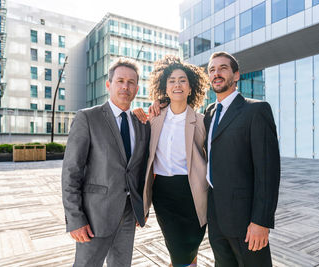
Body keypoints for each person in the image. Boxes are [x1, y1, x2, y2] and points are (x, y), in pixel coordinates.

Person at [61, 58, 150, 267]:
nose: (125, 87)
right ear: (109, 85)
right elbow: (71, 171)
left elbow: (141, 169)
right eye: (120, 81)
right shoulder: (87, 118)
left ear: (137, 88)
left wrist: (141, 207)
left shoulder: (142, 124)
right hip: (94, 216)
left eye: (131, 82)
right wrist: (75, 219)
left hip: (128, 215)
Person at [205, 51, 280, 267]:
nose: (216, 73)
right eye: (212, 70)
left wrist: (261, 221)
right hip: (216, 217)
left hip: (246, 220)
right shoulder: (209, 113)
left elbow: (268, 172)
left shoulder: (256, 110)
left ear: (236, 75)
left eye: (223, 68)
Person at [135, 55, 209, 267]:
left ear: (191, 87)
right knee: (178, 250)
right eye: (172, 80)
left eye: (182, 80)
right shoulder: (153, 118)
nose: (177, 84)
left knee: (190, 248)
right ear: (165, 88)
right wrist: (136, 111)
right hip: (164, 193)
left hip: (193, 192)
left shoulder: (202, 121)